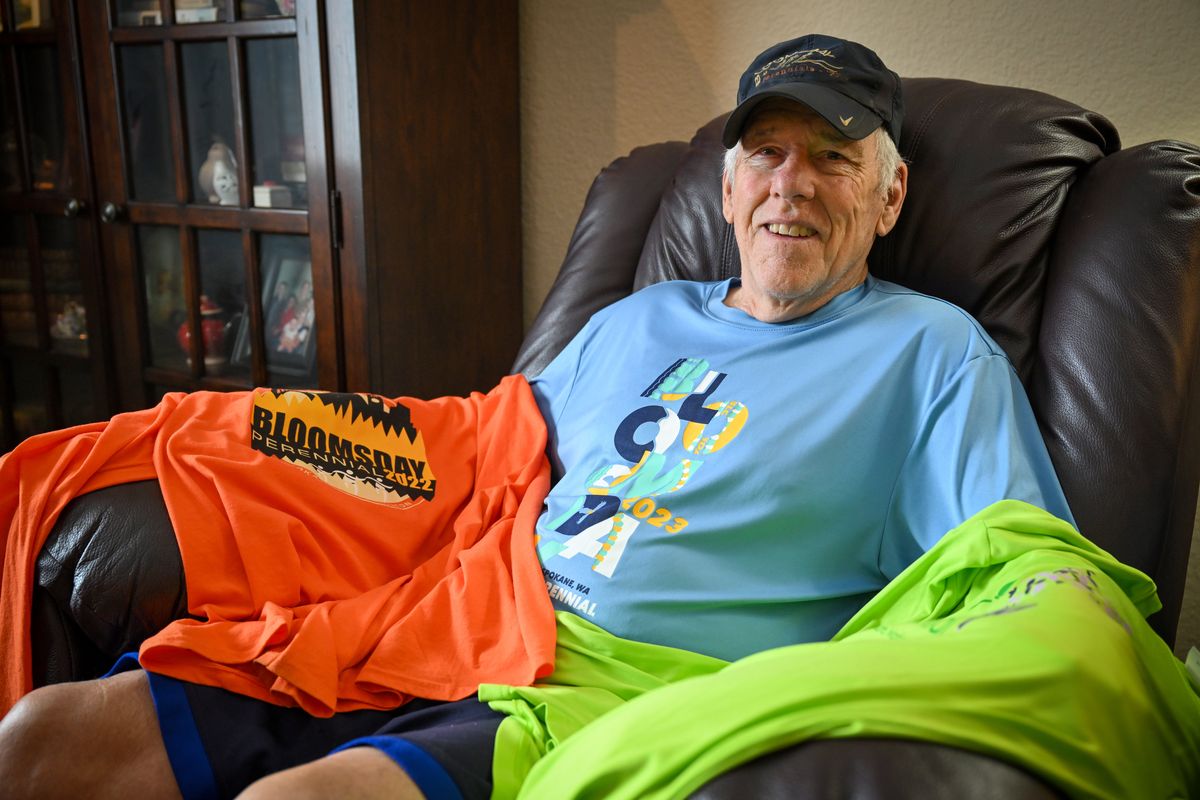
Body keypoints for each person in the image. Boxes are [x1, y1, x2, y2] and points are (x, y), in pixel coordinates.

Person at [0, 34, 1074, 800]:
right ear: (730, 182)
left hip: (615, 688)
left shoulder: (933, 355)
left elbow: (1021, 573)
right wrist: (276, 431)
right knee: (45, 737)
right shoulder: (643, 314)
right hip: (452, 619)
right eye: (768, 152)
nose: (793, 184)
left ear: (888, 196)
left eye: (834, 157)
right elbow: (492, 445)